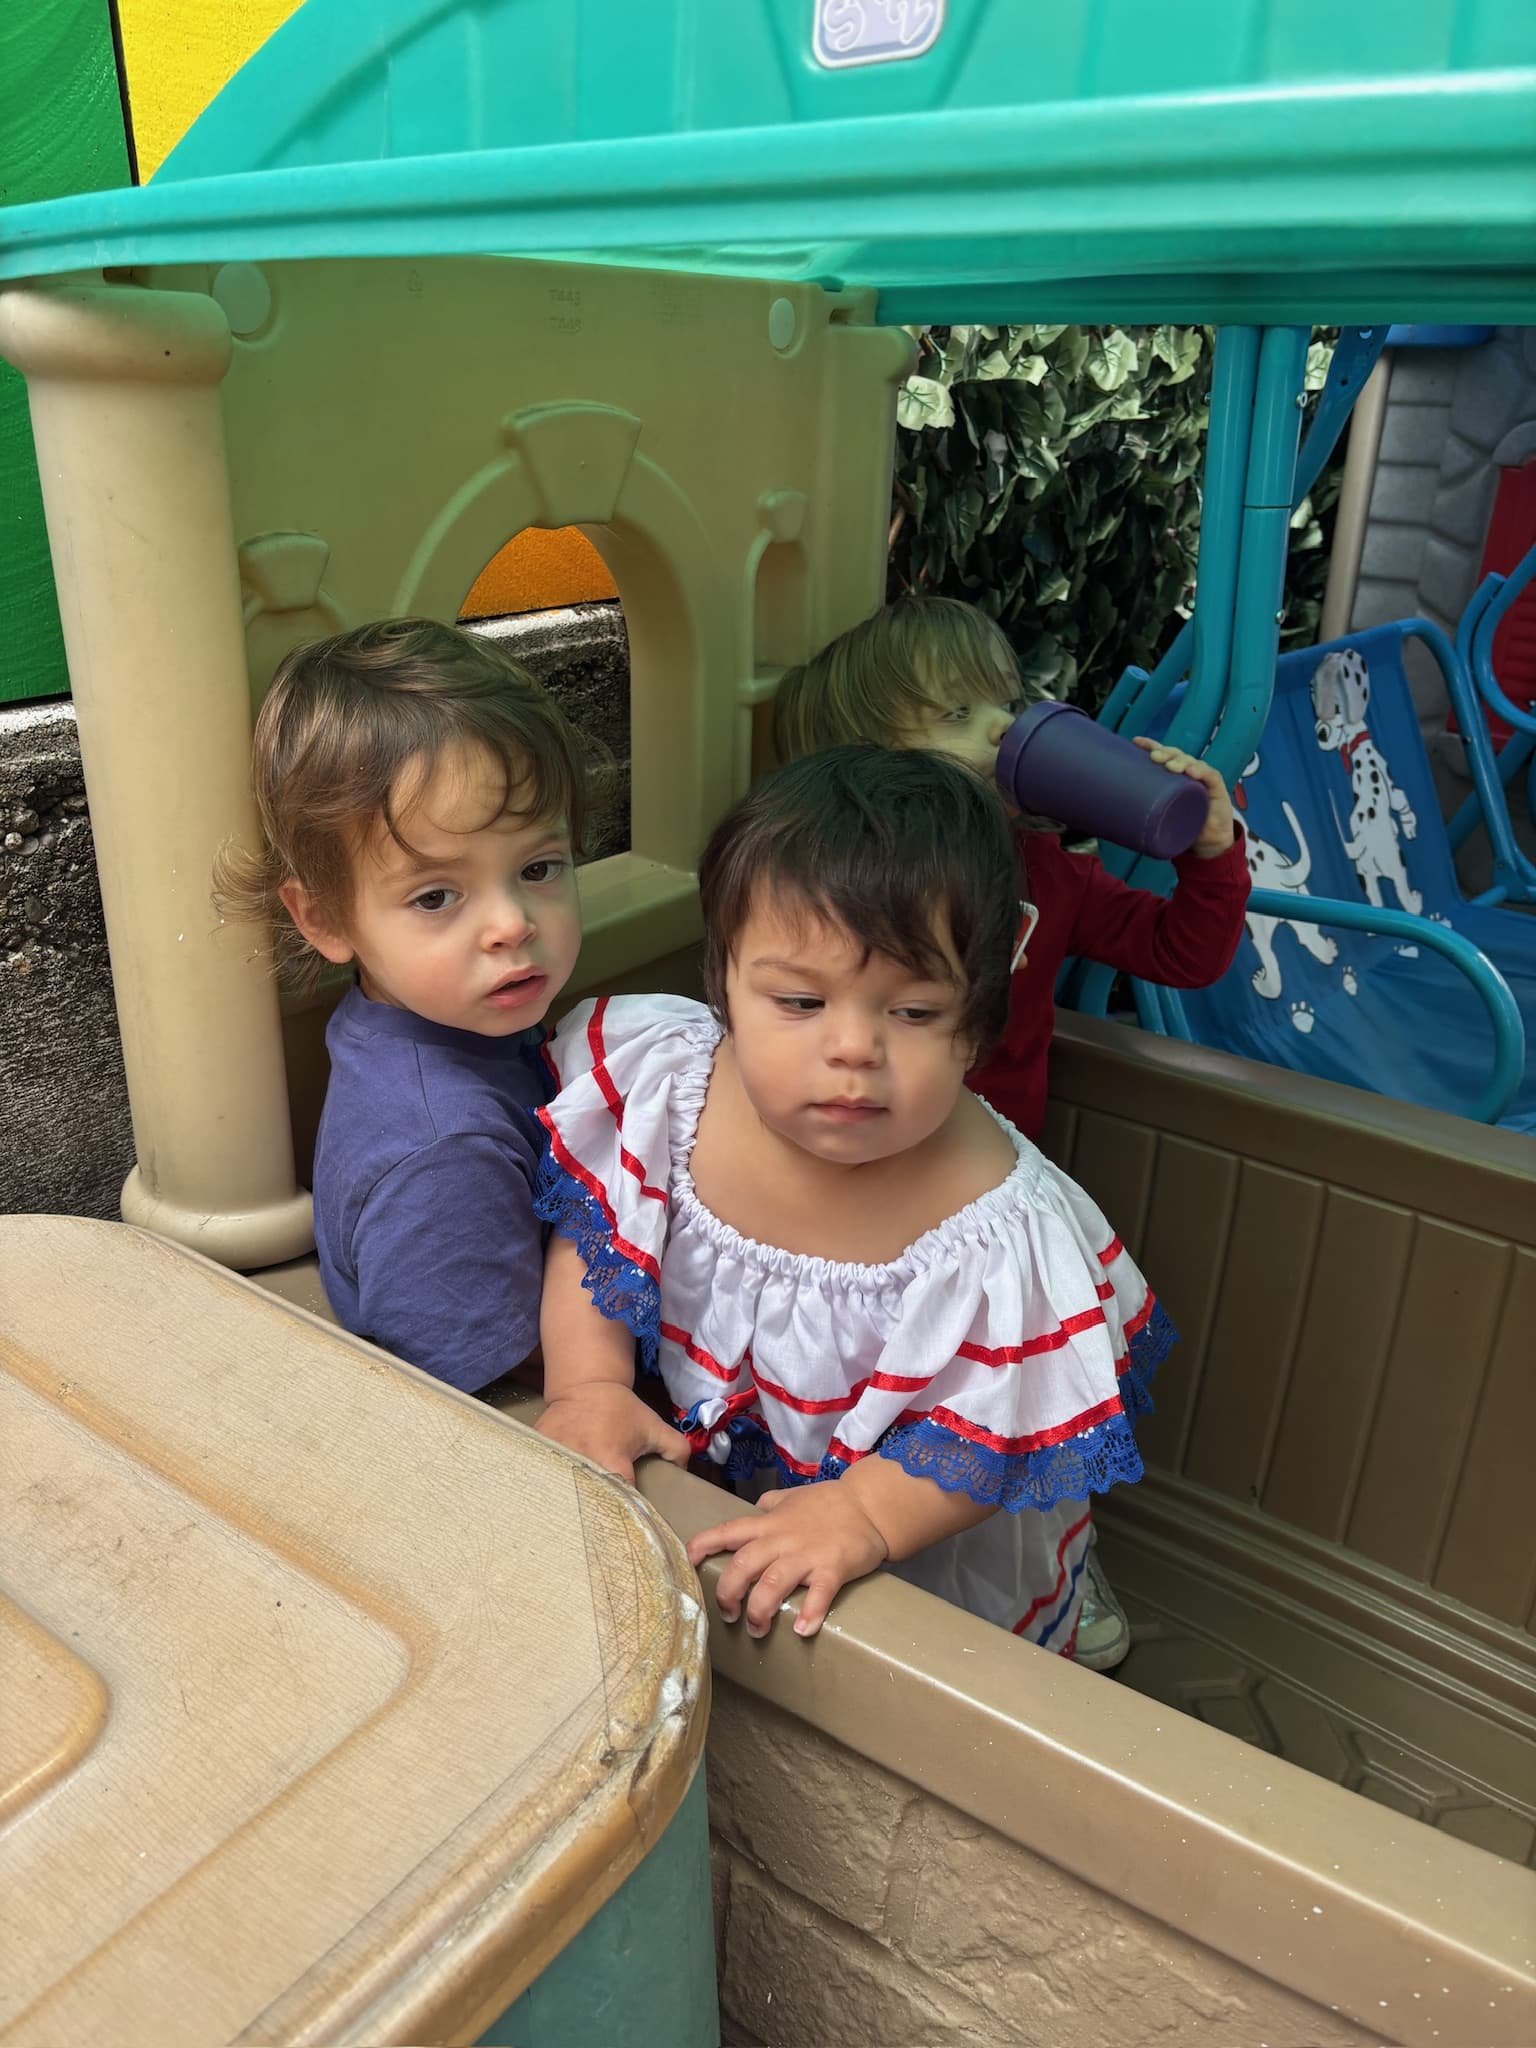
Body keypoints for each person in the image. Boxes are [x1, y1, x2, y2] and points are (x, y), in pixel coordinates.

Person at [534, 746, 1171, 1647]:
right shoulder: (668, 1092)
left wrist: (864, 1515)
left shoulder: (998, 1232)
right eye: (800, 1001)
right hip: (714, 1488)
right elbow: (595, 1240)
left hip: (911, 1549)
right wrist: (589, 1384)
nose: (853, 1050)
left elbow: (994, 1429)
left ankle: (1073, 1584)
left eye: (913, 1013)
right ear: (724, 979)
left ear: (980, 1014)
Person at [772, 594, 1250, 1668]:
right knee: (878, 1375)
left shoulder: (1051, 874)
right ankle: (857, 1520)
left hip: (992, 1194)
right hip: (863, 1178)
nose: (1001, 730)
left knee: (1027, 1381)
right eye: (955, 717)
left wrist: (1210, 850)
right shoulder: (843, 889)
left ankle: (1057, 1546)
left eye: (1004, 703)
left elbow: (1181, 952)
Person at [212, 617, 629, 1405]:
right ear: (325, 919)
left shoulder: (424, 1015)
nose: (512, 924)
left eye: (539, 867)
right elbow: (495, 1399)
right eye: (436, 896)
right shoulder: (445, 1154)